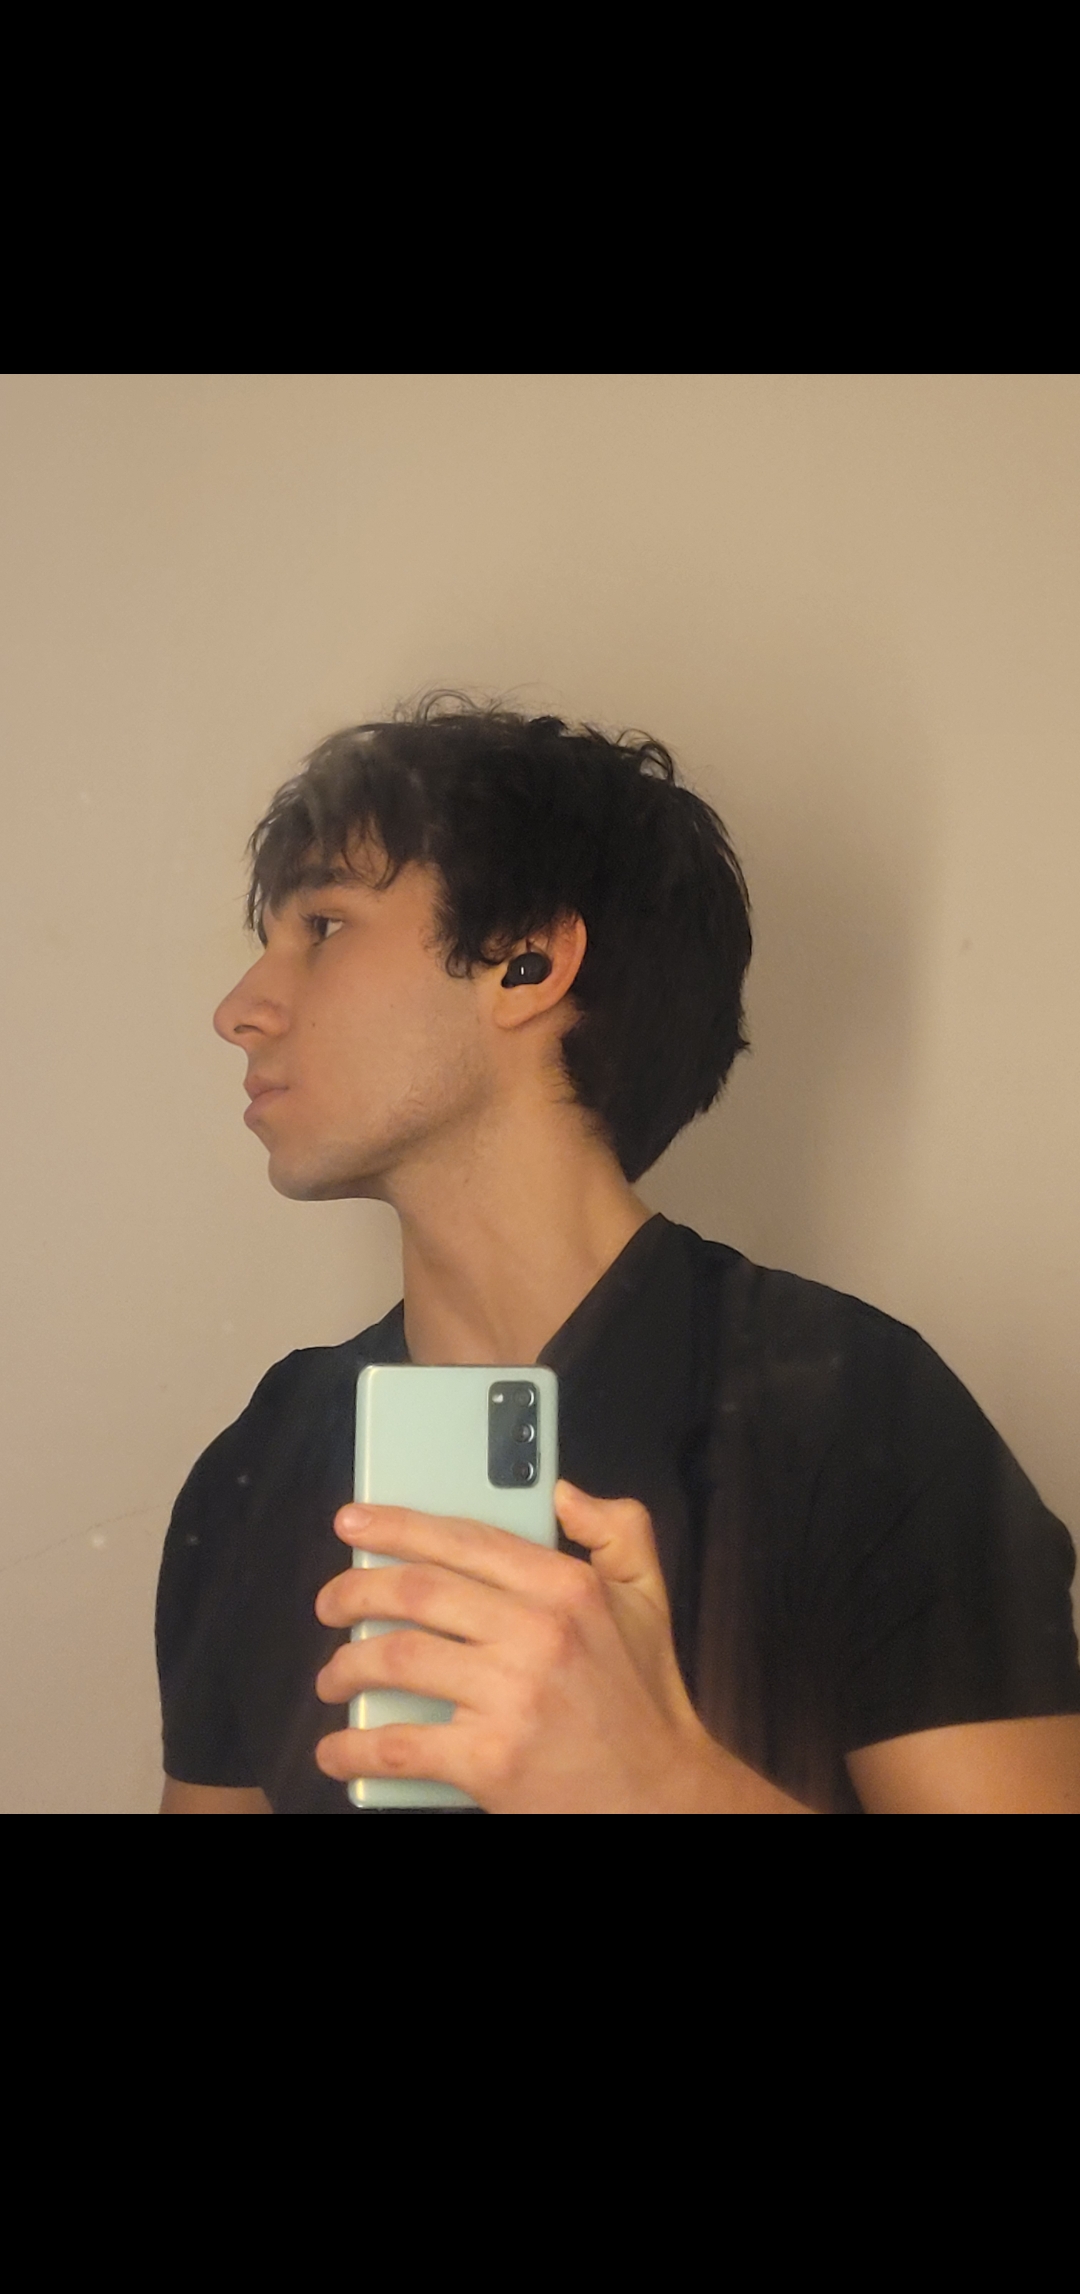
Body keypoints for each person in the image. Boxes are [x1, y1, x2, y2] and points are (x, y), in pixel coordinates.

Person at [156, 692, 1080, 1813]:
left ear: (527, 961)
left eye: (323, 926)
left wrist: (662, 1786)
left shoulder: (857, 1413)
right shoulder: (266, 1460)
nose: (240, 1009)